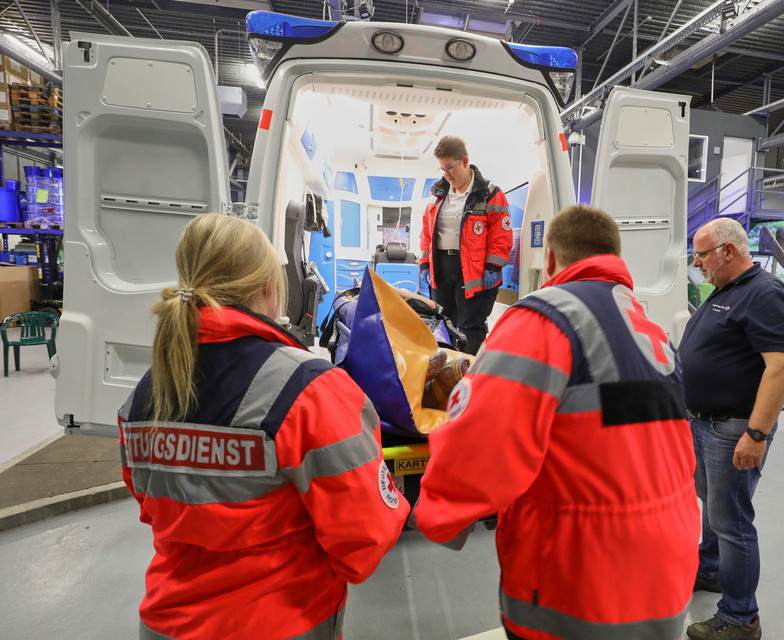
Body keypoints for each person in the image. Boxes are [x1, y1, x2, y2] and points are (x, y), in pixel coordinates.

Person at [414, 205, 700, 640]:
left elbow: (479, 446)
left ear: (549, 259)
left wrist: (435, 513)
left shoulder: (544, 319)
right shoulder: (647, 325)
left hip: (583, 582)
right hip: (668, 569)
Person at [118, 214, 409, 640]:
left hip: (166, 622)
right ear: (268, 288)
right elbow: (364, 533)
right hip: (282, 620)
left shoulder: (149, 390)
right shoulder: (309, 388)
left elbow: (150, 503)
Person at [678, 218, 784, 640]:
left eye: (702, 254)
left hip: (733, 428)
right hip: (705, 423)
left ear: (727, 252)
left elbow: (781, 366)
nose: (697, 263)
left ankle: (740, 617)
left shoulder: (766, 295)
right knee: (713, 508)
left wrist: (757, 434)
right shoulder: (726, 292)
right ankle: (711, 570)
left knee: (732, 521)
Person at [419, 135, 513, 355]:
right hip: (442, 268)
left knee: (471, 327)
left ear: (465, 161)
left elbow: (501, 235)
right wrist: (424, 263)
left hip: (475, 271)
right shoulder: (438, 194)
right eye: (442, 169)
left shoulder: (489, 194)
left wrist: (494, 266)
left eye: (450, 167)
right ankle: (445, 375)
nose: (446, 174)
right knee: (443, 323)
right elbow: (426, 233)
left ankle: (470, 376)